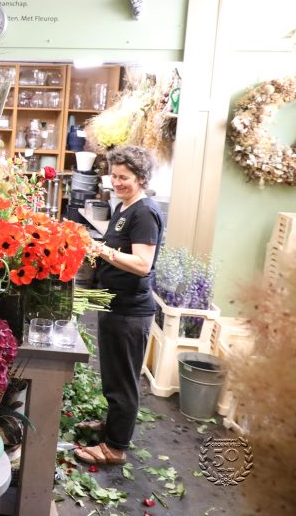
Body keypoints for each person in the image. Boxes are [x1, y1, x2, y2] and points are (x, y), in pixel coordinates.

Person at [75, 145, 163, 466]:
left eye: (124, 177)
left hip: (130, 311)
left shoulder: (145, 212)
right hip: (114, 305)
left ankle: (115, 448)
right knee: (112, 377)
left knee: (123, 381)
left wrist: (101, 250)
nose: (117, 182)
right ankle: (113, 428)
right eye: (113, 175)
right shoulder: (124, 208)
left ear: (141, 178)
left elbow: (142, 264)